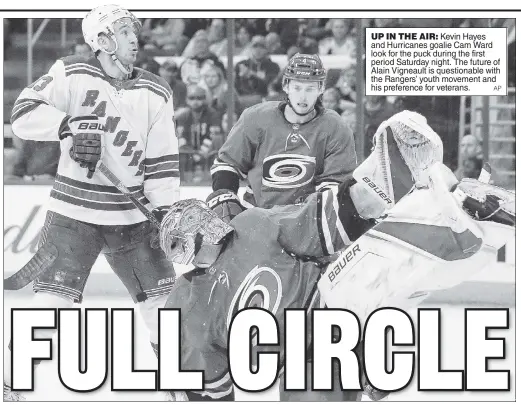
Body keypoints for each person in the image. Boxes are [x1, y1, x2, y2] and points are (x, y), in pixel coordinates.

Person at [161, 111, 460, 401]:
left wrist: (377, 185)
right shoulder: (188, 300)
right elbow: (207, 378)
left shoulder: (251, 224)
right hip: (296, 362)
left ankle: (407, 191)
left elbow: (325, 220)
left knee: (361, 267)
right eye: (196, 222)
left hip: (328, 326)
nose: (209, 219)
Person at [4, 4, 180, 400]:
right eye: (123, 31)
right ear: (101, 40)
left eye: (133, 30)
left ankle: (177, 383)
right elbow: (22, 113)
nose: (134, 37)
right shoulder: (72, 73)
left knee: (164, 306)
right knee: (52, 303)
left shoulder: (156, 91)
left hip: (134, 219)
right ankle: (11, 383)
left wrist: (165, 211)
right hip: (73, 214)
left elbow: (163, 161)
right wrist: (65, 126)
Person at [210, 53, 357, 211]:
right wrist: (227, 201)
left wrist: (314, 217)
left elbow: (335, 185)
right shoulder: (255, 118)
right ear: (286, 85)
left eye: (310, 89)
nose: (303, 96)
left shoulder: (335, 126)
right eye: (297, 87)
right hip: (254, 216)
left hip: (306, 222)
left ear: (321, 88)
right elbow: (227, 164)